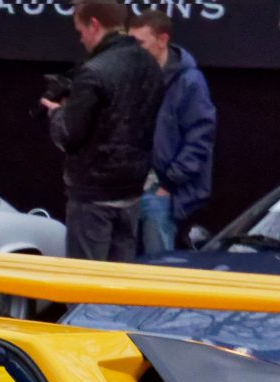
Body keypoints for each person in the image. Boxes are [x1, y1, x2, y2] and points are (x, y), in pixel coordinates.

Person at [43, 0, 164, 262]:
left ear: (94, 25)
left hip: (93, 196)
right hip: (132, 191)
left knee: (85, 290)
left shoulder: (93, 72)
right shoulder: (151, 65)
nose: (81, 39)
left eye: (81, 31)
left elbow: (68, 135)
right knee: (118, 290)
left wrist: (56, 113)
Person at [133, 9, 217, 254]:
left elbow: (200, 137)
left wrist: (169, 182)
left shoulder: (189, 81)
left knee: (156, 270)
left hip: (158, 193)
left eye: (140, 43)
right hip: (127, 190)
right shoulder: (132, 76)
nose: (134, 50)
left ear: (162, 40)